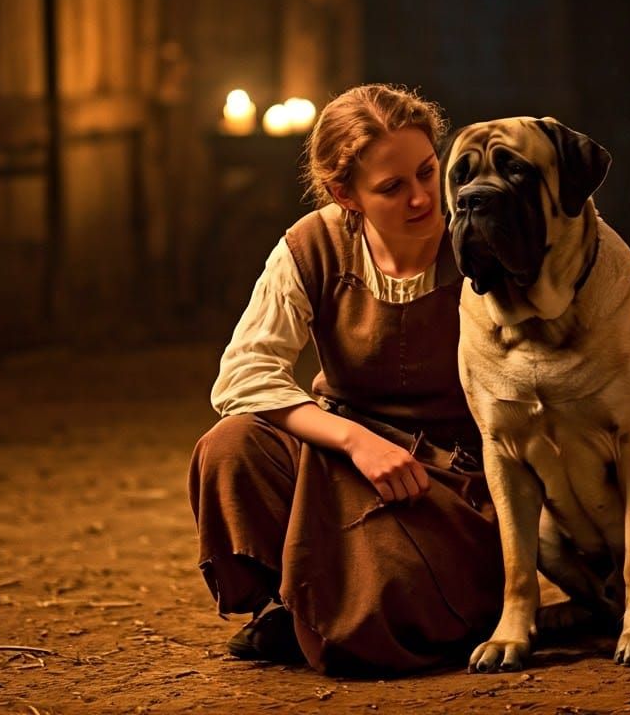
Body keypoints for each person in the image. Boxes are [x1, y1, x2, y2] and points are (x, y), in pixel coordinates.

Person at [188, 84, 503, 676]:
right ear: (345, 195)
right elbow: (244, 372)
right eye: (392, 187)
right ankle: (287, 604)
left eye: (427, 171)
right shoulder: (315, 245)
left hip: (451, 482)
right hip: (345, 453)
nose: (421, 197)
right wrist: (355, 441)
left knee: (381, 612)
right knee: (231, 446)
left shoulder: (480, 237)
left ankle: (338, 611)